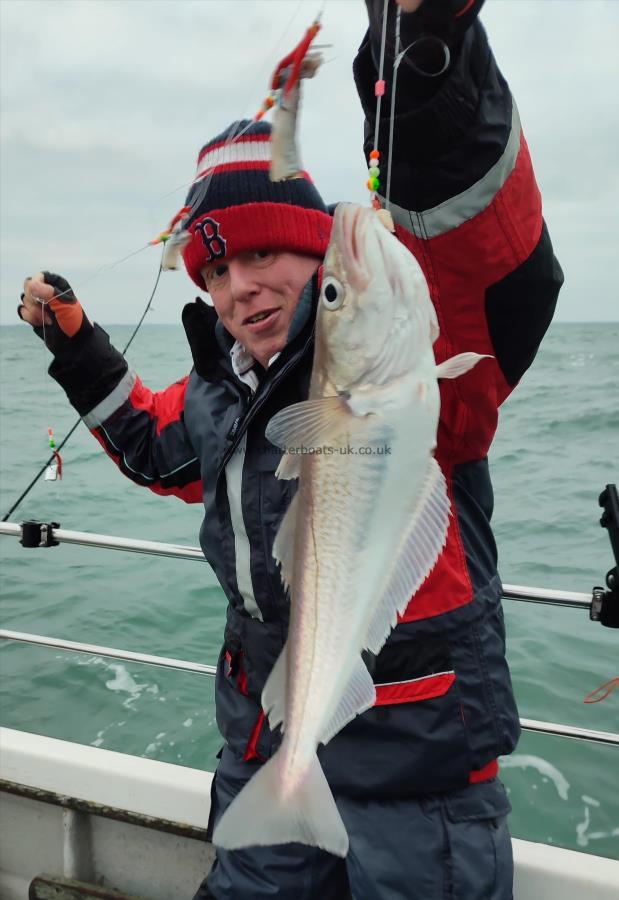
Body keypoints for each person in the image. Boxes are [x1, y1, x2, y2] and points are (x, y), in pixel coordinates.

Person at [18, 1, 563, 897]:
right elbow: (152, 446)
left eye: (266, 252)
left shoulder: (422, 368)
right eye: (215, 270)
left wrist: (431, 71)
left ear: (318, 258)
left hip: (416, 790)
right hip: (268, 748)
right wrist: (77, 345)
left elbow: (486, 258)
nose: (241, 287)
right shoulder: (216, 394)